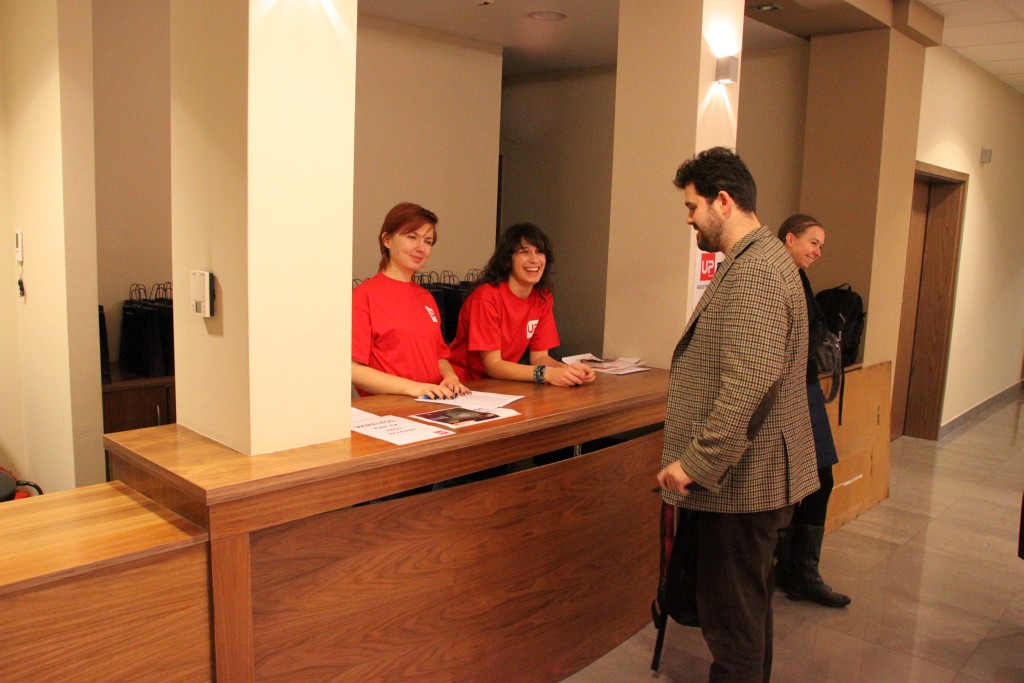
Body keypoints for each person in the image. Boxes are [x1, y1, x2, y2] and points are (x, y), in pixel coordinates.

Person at [656, 147, 819, 683]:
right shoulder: (760, 261)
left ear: (723, 201)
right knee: (746, 614)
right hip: (748, 478)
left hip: (743, 483)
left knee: (734, 625)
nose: (689, 219)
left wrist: (695, 464)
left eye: (693, 206)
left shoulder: (757, 272)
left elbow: (749, 387)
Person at [775, 213, 851, 607]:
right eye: (813, 242)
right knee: (803, 480)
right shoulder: (775, 277)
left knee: (821, 477)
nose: (818, 251)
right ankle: (791, 570)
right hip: (790, 392)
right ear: (790, 238)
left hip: (805, 388)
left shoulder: (798, 278)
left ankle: (799, 569)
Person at [447, 222, 595, 387]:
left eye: (540, 252)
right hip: (465, 384)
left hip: (503, 385)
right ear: (508, 260)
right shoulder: (486, 296)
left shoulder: (542, 296)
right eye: (524, 252)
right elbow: (493, 365)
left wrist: (568, 371)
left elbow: (539, 358)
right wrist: (547, 374)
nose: (534, 260)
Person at [351, 202, 470, 398]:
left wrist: (450, 377)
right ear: (387, 240)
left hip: (432, 406)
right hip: (390, 411)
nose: (421, 248)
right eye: (412, 237)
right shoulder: (363, 297)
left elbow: (438, 356)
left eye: (428, 241)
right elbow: (353, 370)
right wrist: (413, 387)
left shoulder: (426, 297)